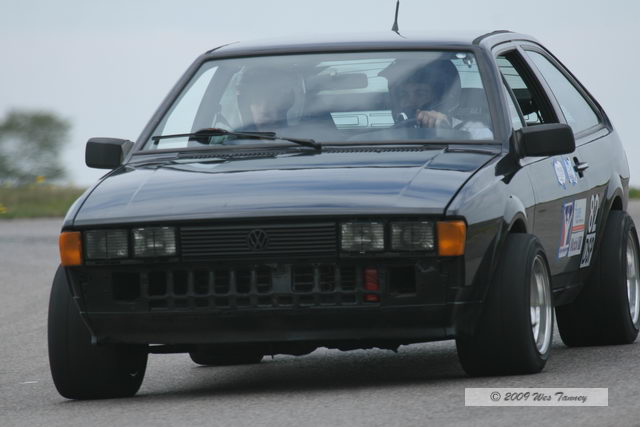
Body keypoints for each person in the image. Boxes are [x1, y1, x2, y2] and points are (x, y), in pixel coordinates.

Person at [386, 60, 493, 139]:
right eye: (403, 94)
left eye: (420, 94)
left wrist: (448, 133)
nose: (411, 101)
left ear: (440, 98)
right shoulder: (389, 135)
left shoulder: (475, 132)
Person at [236, 67, 296, 132]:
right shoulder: (232, 137)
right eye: (257, 101)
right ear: (247, 107)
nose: (264, 110)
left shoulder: (300, 134)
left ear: (285, 104)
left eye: (272, 101)